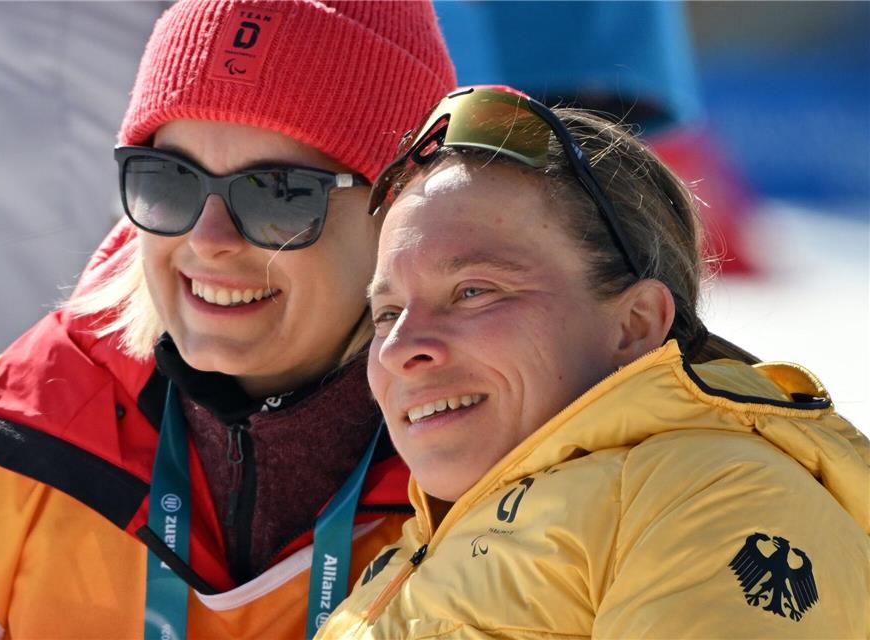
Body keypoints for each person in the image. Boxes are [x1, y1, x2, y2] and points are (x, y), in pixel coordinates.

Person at [0, 2, 454, 638]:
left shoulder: (503, 468)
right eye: (170, 181)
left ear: (399, 213)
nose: (209, 238)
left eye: (278, 192)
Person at [317, 86, 869, 639]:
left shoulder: (712, 492)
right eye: (386, 312)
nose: (398, 348)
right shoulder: (408, 552)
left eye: (473, 291)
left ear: (634, 325)